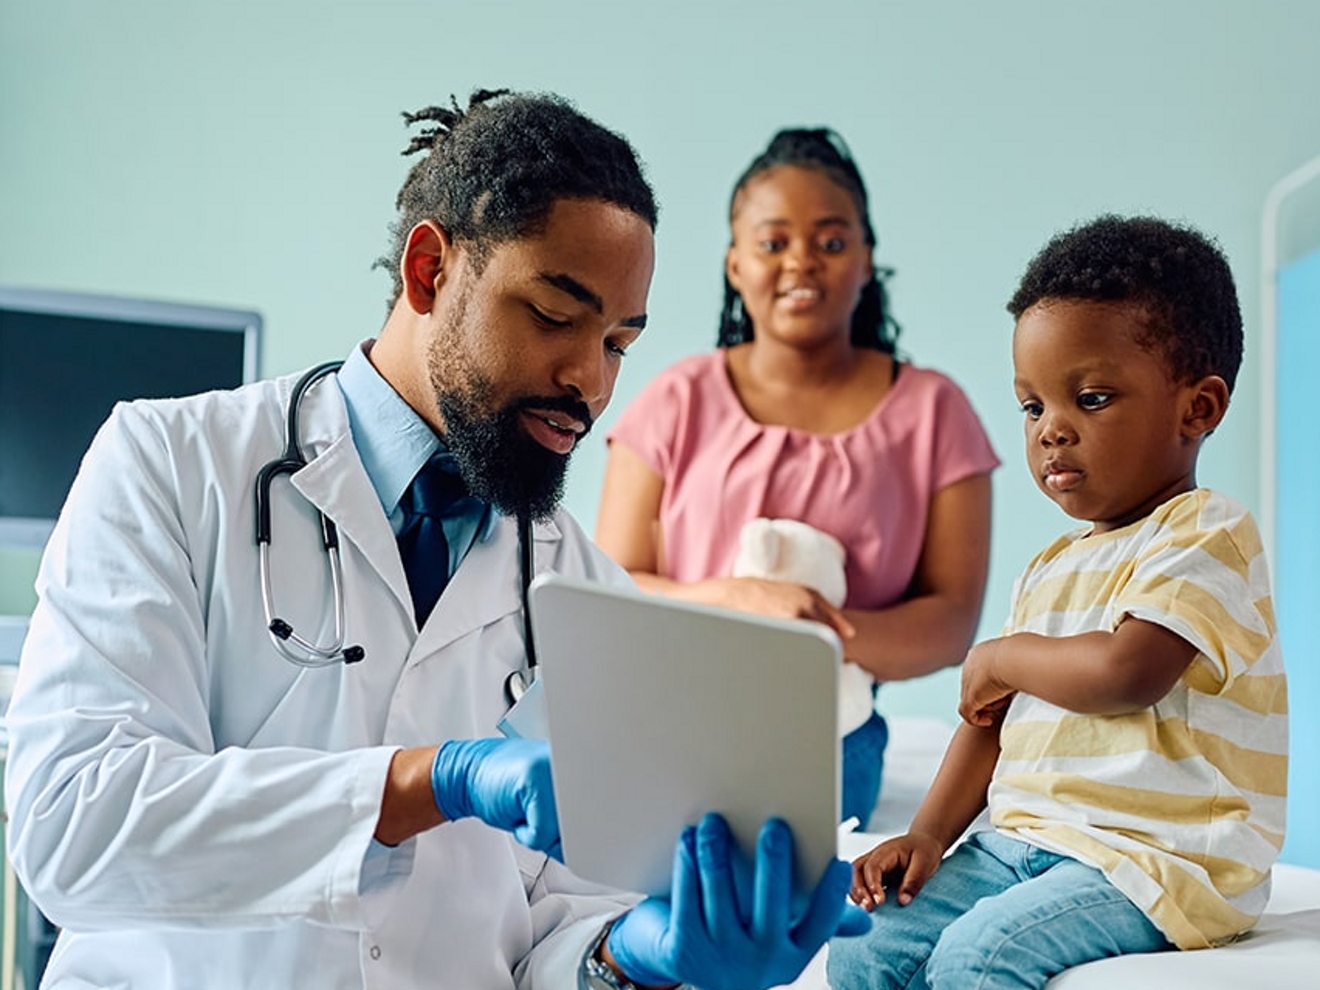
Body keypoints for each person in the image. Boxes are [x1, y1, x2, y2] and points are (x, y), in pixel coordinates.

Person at [3, 89, 868, 990]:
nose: (591, 381)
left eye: (618, 342)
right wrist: (427, 784)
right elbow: (74, 828)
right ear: (429, 271)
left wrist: (634, 959)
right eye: (554, 315)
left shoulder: (584, 591)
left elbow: (559, 933)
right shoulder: (170, 464)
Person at [827, 214, 1289, 990]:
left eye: (1092, 398)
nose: (1051, 432)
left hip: (1154, 858)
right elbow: (989, 722)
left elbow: (1127, 673)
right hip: (1023, 841)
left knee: (980, 959)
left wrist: (1003, 658)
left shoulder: (1207, 532)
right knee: (864, 947)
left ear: (1198, 409)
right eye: (1033, 406)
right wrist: (928, 836)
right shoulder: (1048, 568)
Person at [595, 127, 999, 826]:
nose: (802, 262)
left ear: (866, 260)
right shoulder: (674, 400)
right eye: (773, 242)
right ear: (735, 263)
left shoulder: (937, 413)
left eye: (831, 242)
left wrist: (812, 637)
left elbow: (951, 622)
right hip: (678, 709)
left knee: (762, 815)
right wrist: (734, 601)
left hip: (834, 729)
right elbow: (610, 590)